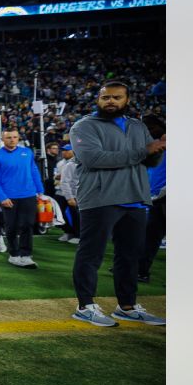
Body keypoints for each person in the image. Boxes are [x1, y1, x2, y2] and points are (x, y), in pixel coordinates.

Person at [68, 82, 166, 327]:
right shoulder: (84, 126)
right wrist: (145, 150)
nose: (110, 101)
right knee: (92, 254)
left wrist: (159, 148)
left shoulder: (137, 126)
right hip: (100, 198)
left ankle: (127, 306)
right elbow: (95, 158)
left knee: (130, 256)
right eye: (106, 97)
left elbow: (150, 163)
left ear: (127, 100)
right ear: (98, 100)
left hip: (134, 197)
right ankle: (85, 306)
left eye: (116, 97)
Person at [0, 129, 47, 268]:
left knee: (28, 225)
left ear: (18, 138)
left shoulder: (27, 153)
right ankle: (14, 254)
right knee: (12, 227)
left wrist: (40, 190)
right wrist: (2, 197)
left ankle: (26, 255)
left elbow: (34, 171)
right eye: (9, 137)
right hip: (9, 198)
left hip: (29, 195)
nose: (12, 140)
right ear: (3, 139)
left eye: (15, 137)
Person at [137, 115, 166, 283]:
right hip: (157, 198)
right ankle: (138, 268)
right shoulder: (158, 146)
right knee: (148, 235)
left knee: (151, 236)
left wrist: (157, 194)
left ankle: (140, 270)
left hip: (162, 198)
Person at [55, 143, 81, 243]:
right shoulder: (60, 163)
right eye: (63, 150)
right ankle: (68, 231)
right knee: (59, 214)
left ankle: (78, 235)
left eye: (67, 150)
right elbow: (60, 178)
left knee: (76, 215)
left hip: (74, 192)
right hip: (60, 191)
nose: (64, 152)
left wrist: (70, 197)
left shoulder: (76, 163)